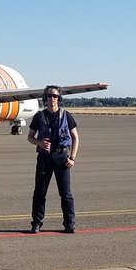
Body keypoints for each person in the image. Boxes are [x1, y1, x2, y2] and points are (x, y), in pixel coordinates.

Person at [26, 86, 79, 233]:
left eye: (55, 96)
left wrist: (72, 158)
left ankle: (69, 224)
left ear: (59, 98)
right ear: (45, 98)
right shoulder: (39, 117)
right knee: (39, 193)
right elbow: (30, 137)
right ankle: (36, 222)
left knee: (66, 193)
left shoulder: (66, 116)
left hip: (62, 158)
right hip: (44, 158)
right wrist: (39, 143)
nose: (52, 99)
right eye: (49, 96)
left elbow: (75, 138)